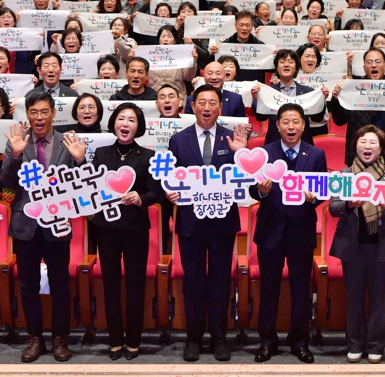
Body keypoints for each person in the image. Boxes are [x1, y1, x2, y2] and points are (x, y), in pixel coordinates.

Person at [0, 91, 87, 362]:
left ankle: (60, 337)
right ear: (27, 114)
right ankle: (35, 337)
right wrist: (15, 155)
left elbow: (83, 185)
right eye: (34, 112)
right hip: (25, 225)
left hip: (58, 223)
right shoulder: (18, 141)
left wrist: (81, 160)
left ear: (53, 113)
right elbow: (6, 183)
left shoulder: (67, 142)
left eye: (44, 111)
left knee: (61, 285)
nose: (39, 117)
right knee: (28, 286)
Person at [165, 85, 248, 362]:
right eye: (202, 102)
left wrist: (241, 155)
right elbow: (169, 177)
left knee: (221, 281)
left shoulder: (232, 139)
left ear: (220, 108)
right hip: (191, 223)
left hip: (223, 223)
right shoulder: (179, 140)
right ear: (192, 106)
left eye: (213, 102)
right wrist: (169, 191)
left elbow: (246, 180)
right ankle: (193, 337)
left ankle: (219, 337)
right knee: (193, 281)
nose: (207, 107)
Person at [249, 104, 326, 364]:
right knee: (269, 288)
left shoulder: (316, 154)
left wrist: (314, 198)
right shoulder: (264, 153)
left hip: (301, 230)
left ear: (304, 125)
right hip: (270, 229)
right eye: (286, 122)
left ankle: (299, 341)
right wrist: (261, 191)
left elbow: (322, 191)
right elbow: (252, 190)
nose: (291, 127)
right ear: (277, 125)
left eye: (296, 122)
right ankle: (267, 341)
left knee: (301, 289)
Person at [329, 124, 385, 364]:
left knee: (378, 298)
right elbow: (333, 207)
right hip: (352, 243)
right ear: (355, 147)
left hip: (382, 243)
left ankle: (375, 345)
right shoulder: (344, 174)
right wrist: (349, 204)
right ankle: (354, 343)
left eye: (373, 142)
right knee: (353, 298)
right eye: (363, 142)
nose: (367, 146)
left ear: (381, 148)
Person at [91, 103, 162, 360]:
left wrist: (141, 198)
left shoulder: (148, 155)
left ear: (138, 126)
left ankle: (133, 340)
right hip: (106, 228)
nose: (125, 124)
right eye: (121, 118)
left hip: (135, 229)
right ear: (113, 123)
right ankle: (114, 341)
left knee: (135, 285)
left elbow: (156, 191)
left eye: (132, 120)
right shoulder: (101, 153)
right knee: (110, 285)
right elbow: (91, 187)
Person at [329, 48, 385, 168]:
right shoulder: (353, 88)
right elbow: (340, 121)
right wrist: (336, 100)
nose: (374, 65)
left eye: (378, 61)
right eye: (369, 62)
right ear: (364, 67)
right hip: (359, 157)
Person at [251, 49, 328, 145]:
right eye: (282, 62)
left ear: (296, 68)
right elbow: (261, 117)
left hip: (303, 143)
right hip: (275, 143)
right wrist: (256, 99)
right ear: (277, 68)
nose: (286, 65)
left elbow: (317, 119)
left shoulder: (309, 92)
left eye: (291, 62)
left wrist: (321, 101)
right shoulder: (268, 91)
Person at [223, 11, 266, 83]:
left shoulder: (262, 47)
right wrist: (213, 54)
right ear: (235, 25)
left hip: (254, 86)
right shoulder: (224, 46)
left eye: (247, 25)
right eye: (241, 25)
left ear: (252, 26)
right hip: (230, 86)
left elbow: (270, 69)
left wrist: (274, 57)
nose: (244, 28)